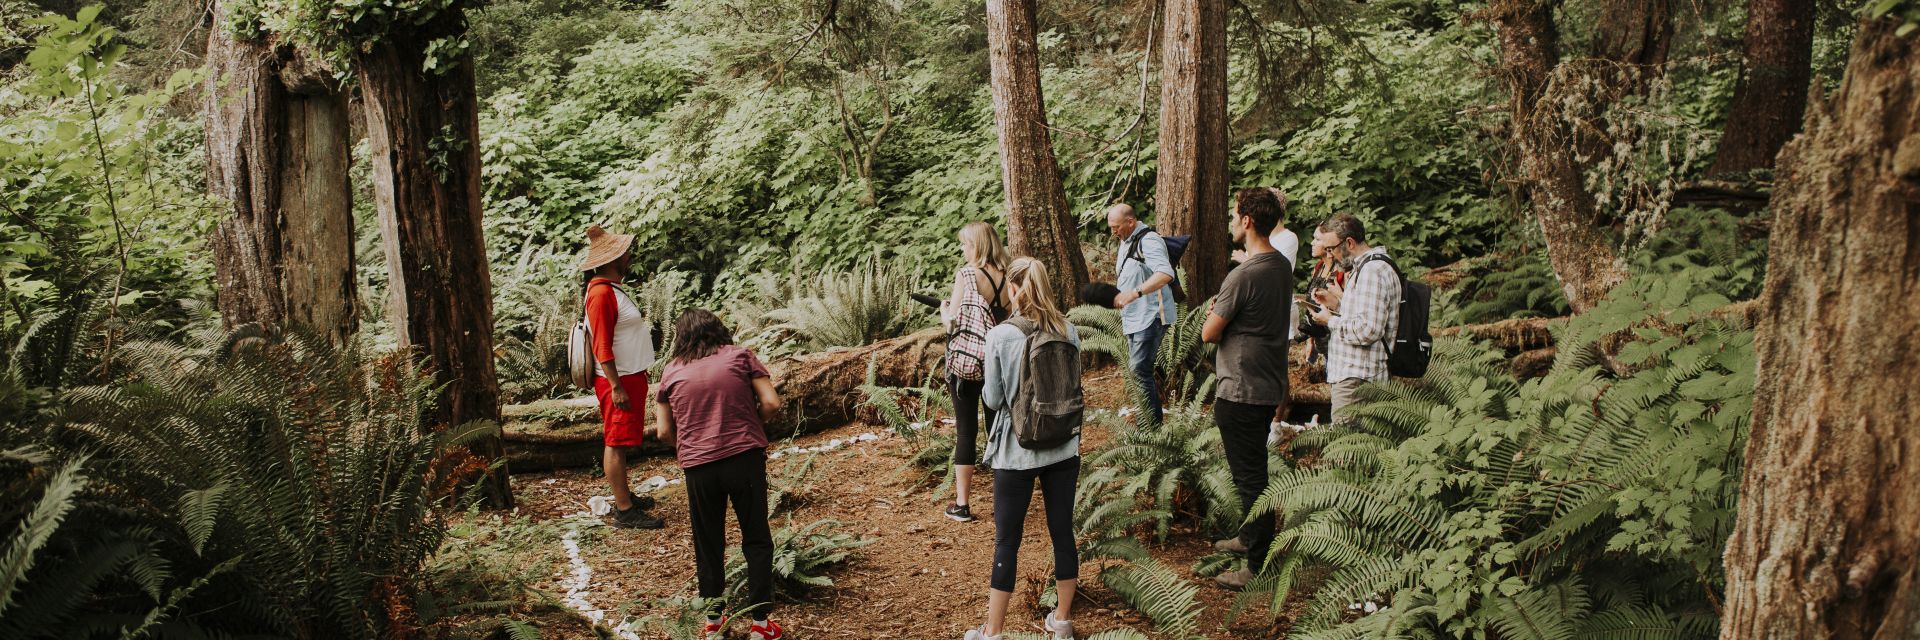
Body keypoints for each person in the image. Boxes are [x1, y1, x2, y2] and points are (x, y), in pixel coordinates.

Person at [965, 257, 1082, 640]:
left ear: (1013, 289)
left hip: (1017, 449)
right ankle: (1062, 620)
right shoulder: (1069, 329)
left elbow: (995, 398)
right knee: (1062, 532)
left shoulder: (1001, 335)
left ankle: (993, 631)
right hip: (1064, 447)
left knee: (1007, 540)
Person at [653, 309, 785, 640]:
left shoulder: (671, 372)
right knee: (756, 536)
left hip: (699, 468)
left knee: (708, 542)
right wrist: (751, 423)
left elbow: (663, 432)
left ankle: (714, 623)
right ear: (719, 330)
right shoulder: (740, 357)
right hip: (743, 459)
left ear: (680, 337)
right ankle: (760, 625)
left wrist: (690, 443)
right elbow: (771, 403)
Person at [1200, 189, 1295, 591]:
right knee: (1251, 471)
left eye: (1234, 215)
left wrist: (1214, 315)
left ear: (1247, 221)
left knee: (1250, 477)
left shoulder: (1244, 273)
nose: (1231, 222)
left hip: (1240, 387)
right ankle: (1249, 537)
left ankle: (1259, 564)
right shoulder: (1279, 267)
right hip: (1266, 381)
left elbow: (1209, 332)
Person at [579, 223, 664, 530]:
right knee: (615, 442)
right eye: (624, 253)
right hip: (619, 380)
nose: (629, 256)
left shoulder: (609, 288)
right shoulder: (601, 294)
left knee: (622, 439)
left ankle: (624, 495)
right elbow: (601, 344)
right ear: (612, 260)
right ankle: (625, 511)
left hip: (629, 376)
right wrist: (616, 385)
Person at [937, 221, 1013, 523]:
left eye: (965, 244)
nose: (962, 249)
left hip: (968, 364)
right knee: (998, 428)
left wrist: (944, 311)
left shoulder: (967, 275)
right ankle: (1004, 500)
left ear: (977, 246)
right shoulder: (1011, 275)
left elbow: (952, 322)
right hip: (999, 361)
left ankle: (962, 504)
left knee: (966, 430)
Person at [1307, 214, 1400, 420]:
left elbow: (1368, 330)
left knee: (1343, 449)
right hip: (1358, 375)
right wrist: (1337, 304)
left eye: (1331, 248)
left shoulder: (1371, 271)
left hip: (1357, 379)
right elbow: (1365, 315)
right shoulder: (1369, 267)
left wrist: (1329, 321)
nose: (1330, 254)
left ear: (1349, 243)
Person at [1105, 203, 1177, 427]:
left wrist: (1134, 293)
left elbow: (1165, 273)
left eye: (1116, 227)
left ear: (1131, 222)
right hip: (1134, 318)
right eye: (1111, 227)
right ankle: (1148, 422)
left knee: (1139, 369)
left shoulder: (1149, 240)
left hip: (1151, 316)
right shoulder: (1126, 241)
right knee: (1139, 370)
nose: (1113, 232)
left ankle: (1152, 428)